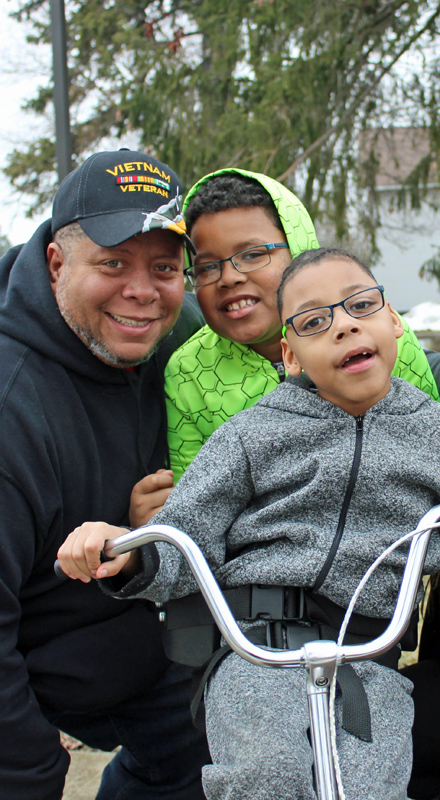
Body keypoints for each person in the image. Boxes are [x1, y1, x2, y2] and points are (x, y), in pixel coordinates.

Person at [58, 247, 440, 800]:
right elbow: (185, 535)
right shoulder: (251, 435)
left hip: (367, 656)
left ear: (392, 321)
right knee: (267, 779)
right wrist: (130, 552)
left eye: (361, 305)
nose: (345, 326)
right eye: (314, 321)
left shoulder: (430, 432)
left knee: (373, 786)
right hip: (254, 652)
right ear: (290, 354)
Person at [0, 148, 209, 800]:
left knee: (227, 747)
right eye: (113, 263)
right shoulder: (12, 406)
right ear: (58, 264)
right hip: (41, 660)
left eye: (164, 268)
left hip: (152, 635)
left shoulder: (181, 343)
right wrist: (31, 770)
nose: (142, 290)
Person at [128, 168, 440, 527]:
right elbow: (196, 505)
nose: (229, 277)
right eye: (207, 267)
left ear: (298, 248)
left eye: (252, 254)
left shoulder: (380, 338)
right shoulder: (188, 372)